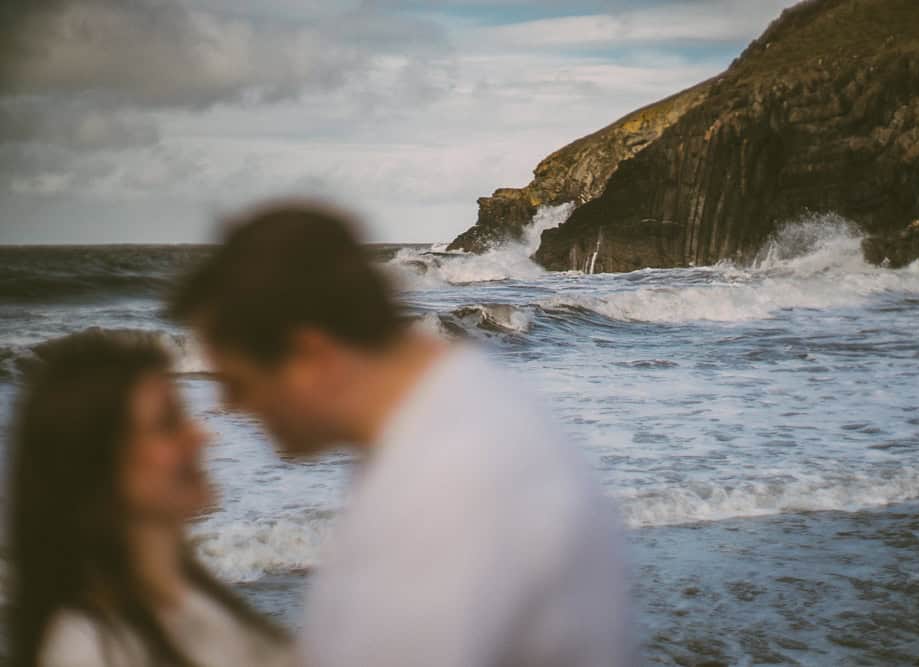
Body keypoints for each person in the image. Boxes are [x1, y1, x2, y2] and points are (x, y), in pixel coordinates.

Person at [167, 201, 633, 667]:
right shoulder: (463, 410)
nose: (228, 405)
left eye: (236, 382)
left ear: (308, 354)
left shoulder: (443, 482)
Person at [6, 330, 296, 667]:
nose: (201, 435)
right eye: (167, 423)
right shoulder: (91, 651)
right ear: (100, 467)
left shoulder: (194, 606)